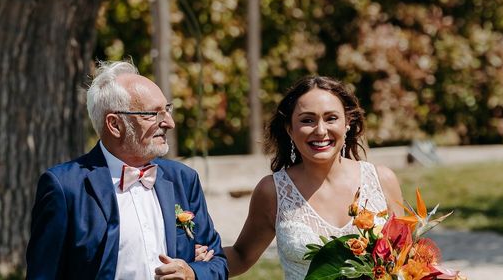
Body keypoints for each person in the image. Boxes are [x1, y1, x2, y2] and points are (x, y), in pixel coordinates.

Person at [26, 60, 227, 280]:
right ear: (114, 125)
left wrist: (192, 273)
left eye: (167, 110)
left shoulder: (183, 179)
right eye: (153, 114)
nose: (169, 123)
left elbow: (217, 262)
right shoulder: (66, 187)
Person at [221, 75, 404, 279]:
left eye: (331, 118)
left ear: (348, 123)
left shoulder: (383, 180)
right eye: (307, 120)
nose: (320, 130)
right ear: (290, 129)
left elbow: (407, 259)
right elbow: (241, 255)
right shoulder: (272, 191)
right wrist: (190, 267)